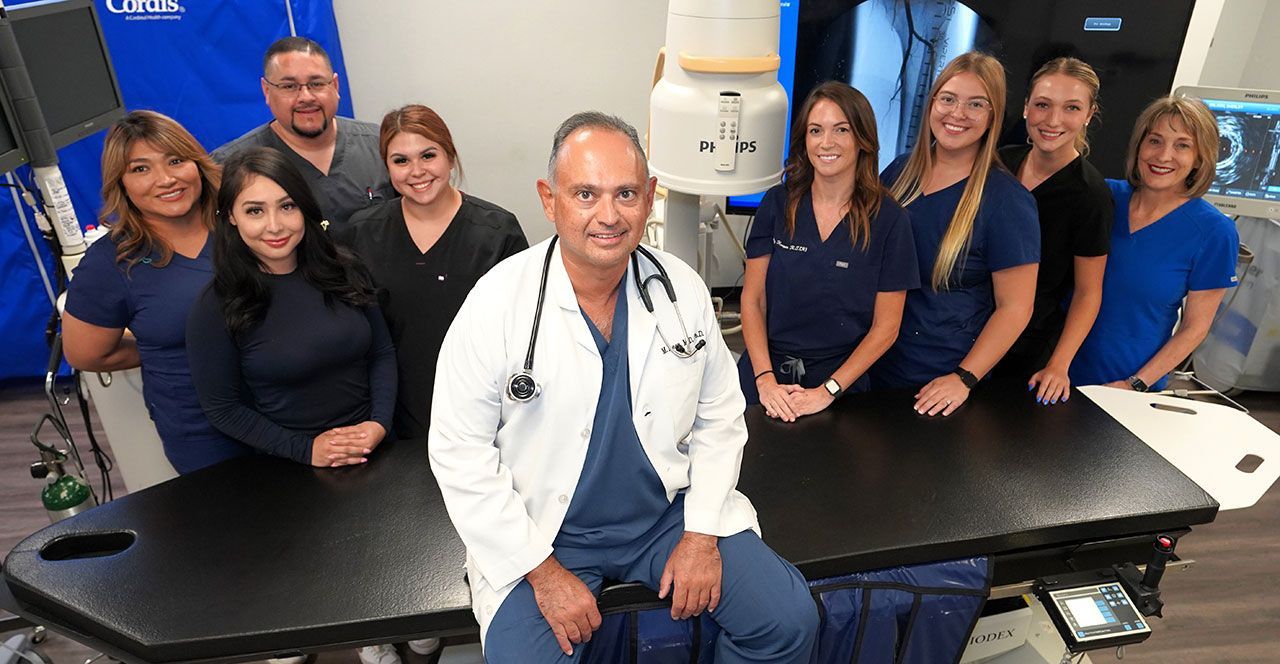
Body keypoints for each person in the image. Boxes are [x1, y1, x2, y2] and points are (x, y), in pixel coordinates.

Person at [428, 112, 819, 662]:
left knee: (786, 620)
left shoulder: (680, 290)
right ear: (549, 199)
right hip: (542, 531)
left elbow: (721, 417)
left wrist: (702, 535)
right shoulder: (496, 305)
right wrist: (541, 572)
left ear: (650, 196)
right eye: (585, 193)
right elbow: (458, 453)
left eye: (626, 193)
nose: (607, 215)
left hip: (665, 516)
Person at [184, 147, 400, 664]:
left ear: (306, 209)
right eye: (254, 210)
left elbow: (382, 354)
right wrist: (308, 451)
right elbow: (223, 408)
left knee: (380, 577)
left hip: (373, 456)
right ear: (230, 218)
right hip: (289, 472)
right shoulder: (216, 307)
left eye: (287, 206)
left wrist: (377, 424)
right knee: (297, 613)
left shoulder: (344, 269)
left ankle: (380, 637)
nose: (275, 225)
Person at [63, 110, 253, 474]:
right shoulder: (112, 263)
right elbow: (87, 353)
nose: (165, 179)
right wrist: (168, 349)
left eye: (176, 160)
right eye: (140, 169)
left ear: (197, 163)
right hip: (205, 435)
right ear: (121, 183)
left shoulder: (243, 221)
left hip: (291, 410)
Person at [339, 104, 528, 442]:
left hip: (485, 413)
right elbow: (355, 333)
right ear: (386, 168)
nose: (416, 171)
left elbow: (521, 334)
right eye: (401, 161)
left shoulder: (498, 232)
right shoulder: (361, 233)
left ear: (450, 157)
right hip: (394, 415)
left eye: (428, 155)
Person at [871, 51, 1040, 416]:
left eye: (975, 104)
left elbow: (1016, 308)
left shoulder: (1007, 202)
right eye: (948, 99)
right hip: (871, 363)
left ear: (993, 117)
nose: (957, 114)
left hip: (938, 383)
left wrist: (964, 378)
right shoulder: (899, 174)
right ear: (931, 103)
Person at [739, 81, 918, 422]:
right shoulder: (778, 203)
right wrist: (765, 381)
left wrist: (827, 391)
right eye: (816, 130)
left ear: (862, 139)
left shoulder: (890, 221)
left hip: (840, 386)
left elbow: (887, 327)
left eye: (841, 130)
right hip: (764, 375)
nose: (826, 143)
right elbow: (753, 300)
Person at [1071, 96, 1239, 392]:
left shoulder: (1214, 232)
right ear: (1139, 146)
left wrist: (1134, 384)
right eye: (1155, 141)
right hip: (1051, 371)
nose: (1163, 155)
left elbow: (1194, 328)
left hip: (1123, 387)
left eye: (1182, 145)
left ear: (1201, 158)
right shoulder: (1102, 197)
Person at [993, 57, 1113, 405]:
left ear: (1089, 114)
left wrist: (1059, 365)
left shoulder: (1091, 195)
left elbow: (1088, 293)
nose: (1053, 120)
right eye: (1043, 105)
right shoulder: (1001, 163)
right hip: (969, 328)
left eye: (1071, 107)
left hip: (1027, 346)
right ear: (1027, 108)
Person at [212, 36, 392, 231]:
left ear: (335, 86)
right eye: (289, 86)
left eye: (316, 84)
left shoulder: (381, 144)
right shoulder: (229, 165)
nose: (306, 97)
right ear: (266, 91)